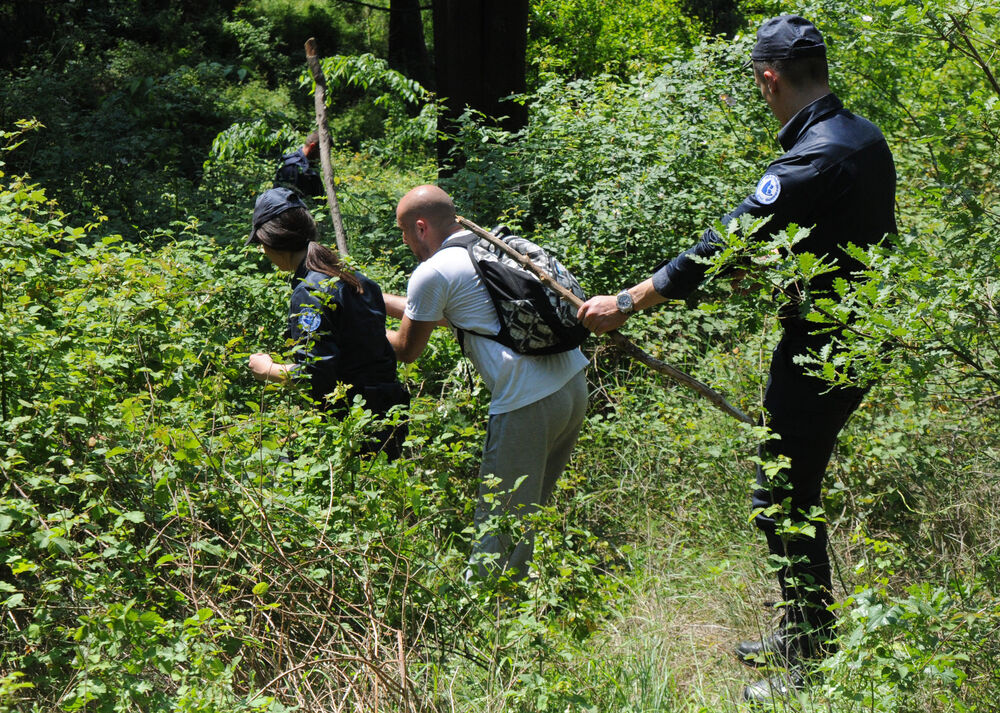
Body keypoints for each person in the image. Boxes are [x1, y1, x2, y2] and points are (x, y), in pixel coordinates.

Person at [577, 15, 897, 702]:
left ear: (769, 78)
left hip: (822, 352)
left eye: (759, 83)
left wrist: (628, 301)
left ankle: (810, 661)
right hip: (858, 338)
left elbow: (720, 243)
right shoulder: (864, 137)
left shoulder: (808, 160)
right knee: (792, 490)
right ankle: (802, 631)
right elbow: (841, 234)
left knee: (782, 497)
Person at [384, 185, 589, 579]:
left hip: (527, 402)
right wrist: (371, 297)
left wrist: (355, 328)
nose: (405, 241)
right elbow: (436, 313)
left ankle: (485, 608)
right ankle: (524, 596)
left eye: (404, 232)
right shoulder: (489, 247)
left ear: (421, 227)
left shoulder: (432, 272)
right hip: (572, 385)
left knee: (500, 522)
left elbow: (406, 349)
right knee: (527, 513)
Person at [247, 187, 409, 460]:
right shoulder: (354, 278)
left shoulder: (309, 291)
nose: (263, 251)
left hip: (352, 426)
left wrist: (268, 370)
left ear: (272, 241)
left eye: (261, 243)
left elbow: (316, 374)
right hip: (388, 416)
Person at [274, 132, 324, 198]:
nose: (325, 157)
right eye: (323, 152)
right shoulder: (292, 167)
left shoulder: (311, 166)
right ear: (312, 147)